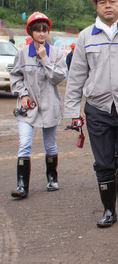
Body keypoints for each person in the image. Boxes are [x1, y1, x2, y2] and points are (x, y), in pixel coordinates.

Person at [64, 0, 118, 228]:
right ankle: (109, 210)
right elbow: (76, 77)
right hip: (98, 109)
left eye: (112, 1)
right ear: (95, 6)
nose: (108, 6)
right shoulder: (86, 36)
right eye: (102, 2)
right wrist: (73, 112)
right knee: (104, 163)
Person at [10, 12, 67, 198]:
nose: (42, 33)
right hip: (28, 106)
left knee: (50, 145)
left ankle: (52, 178)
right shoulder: (22, 53)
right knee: (24, 143)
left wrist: (45, 59)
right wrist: (23, 95)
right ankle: (22, 186)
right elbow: (16, 77)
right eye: (37, 30)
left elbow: (58, 77)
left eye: (44, 30)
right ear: (31, 32)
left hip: (49, 105)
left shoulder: (57, 53)